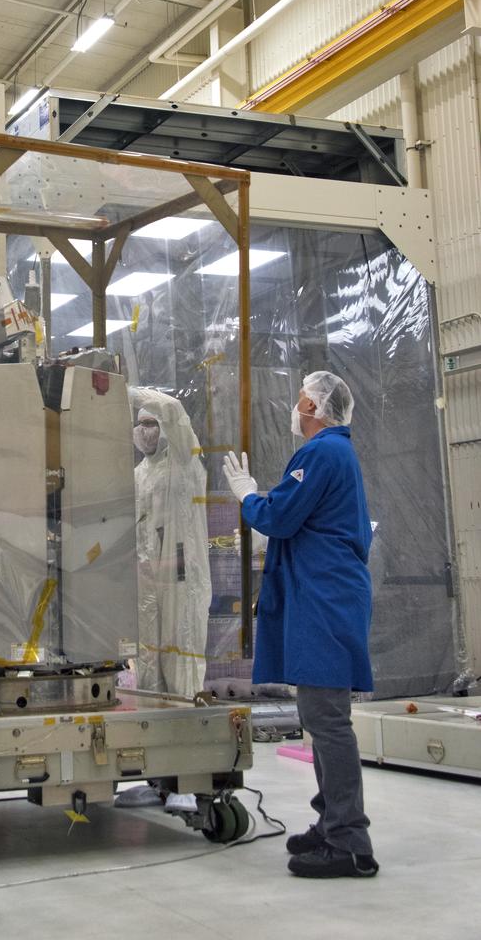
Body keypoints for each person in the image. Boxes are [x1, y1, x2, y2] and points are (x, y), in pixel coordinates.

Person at [223, 371, 378, 879]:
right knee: (319, 718)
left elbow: (281, 517)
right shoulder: (333, 454)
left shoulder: (324, 452)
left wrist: (248, 497)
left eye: (299, 400)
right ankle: (332, 821)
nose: (294, 407)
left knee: (328, 722)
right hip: (324, 593)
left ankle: (349, 843)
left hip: (325, 599)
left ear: (313, 404)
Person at [116, 387, 211, 810]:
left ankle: (191, 780)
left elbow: (173, 411)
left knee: (182, 667)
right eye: (139, 423)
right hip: (146, 583)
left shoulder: (185, 462)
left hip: (180, 580)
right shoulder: (137, 473)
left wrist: (122, 386)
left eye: (151, 423)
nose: (145, 430)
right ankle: (159, 781)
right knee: (151, 670)